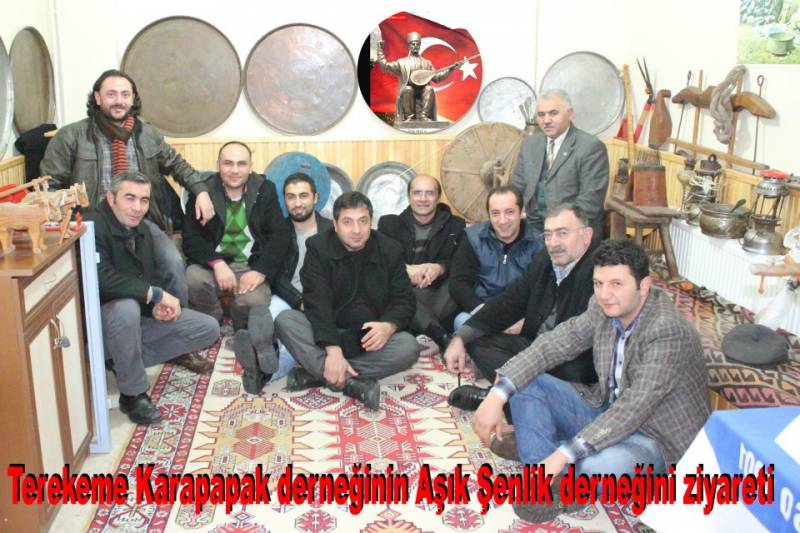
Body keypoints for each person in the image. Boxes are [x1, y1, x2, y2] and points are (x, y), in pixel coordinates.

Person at [472, 239, 709, 522]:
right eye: (598, 283)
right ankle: (544, 476)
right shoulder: (601, 307)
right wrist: (497, 395)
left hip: (655, 438)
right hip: (606, 410)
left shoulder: (668, 333)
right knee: (526, 380)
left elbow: (633, 408)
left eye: (616, 284)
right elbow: (555, 343)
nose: (605, 294)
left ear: (644, 286)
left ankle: (555, 459)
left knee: (598, 467)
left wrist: (563, 455)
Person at [41, 69, 215, 306]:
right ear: (97, 97)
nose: (119, 101)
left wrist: (201, 191)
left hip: (142, 219)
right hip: (93, 224)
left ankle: (176, 319)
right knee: (103, 279)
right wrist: (68, 221)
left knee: (173, 263)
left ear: (133, 98)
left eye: (125, 94)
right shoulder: (71, 136)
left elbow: (178, 165)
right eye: (111, 94)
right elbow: (49, 186)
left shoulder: (148, 134)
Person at [86, 171, 219, 425]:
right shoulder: (91, 225)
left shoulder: (143, 229)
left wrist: (154, 307)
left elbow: (148, 276)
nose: (137, 207)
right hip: (100, 326)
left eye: (144, 200)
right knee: (125, 308)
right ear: (111, 198)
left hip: (134, 322)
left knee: (207, 329)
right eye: (130, 198)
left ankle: (121, 359)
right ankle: (132, 394)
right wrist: (154, 294)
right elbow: (100, 279)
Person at [445, 204, 598, 419]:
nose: (553, 243)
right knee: (478, 341)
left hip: (574, 360)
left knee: (568, 371)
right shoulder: (544, 259)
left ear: (586, 235)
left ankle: (501, 399)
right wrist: (460, 338)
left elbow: (577, 340)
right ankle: (518, 400)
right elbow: (509, 302)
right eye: (548, 235)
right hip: (536, 346)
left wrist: (526, 363)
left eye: (562, 233)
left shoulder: (600, 271)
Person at [275, 192, 419, 409]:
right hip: (328, 332)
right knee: (286, 320)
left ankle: (320, 373)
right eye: (347, 222)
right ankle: (350, 382)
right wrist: (332, 349)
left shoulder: (390, 249)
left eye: (363, 221)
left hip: (368, 338)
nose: (356, 230)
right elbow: (317, 302)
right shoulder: (318, 248)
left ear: (371, 222)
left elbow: (405, 300)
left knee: (409, 347)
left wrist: (388, 326)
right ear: (335, 225)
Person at [182, 141, 289, 394]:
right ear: (218, 165)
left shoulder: (265, 190)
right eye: (228, 163)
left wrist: (260, 271)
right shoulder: (203, 191)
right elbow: (190, 238)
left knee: (254, 300)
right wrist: (216, 263)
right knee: (193, 278)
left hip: (249, 264)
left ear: (250, 167)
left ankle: (242, 327)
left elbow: (280, 236)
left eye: (241, 164)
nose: (234, 170)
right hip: (214, 263)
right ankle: (212, 319)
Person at [378, 174, 465, 351]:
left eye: (429, 193)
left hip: (439, 295)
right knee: (394, 289)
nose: (423, 199)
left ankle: (420, 327)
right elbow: (379, 263)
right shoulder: (389, 224)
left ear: (438, 197)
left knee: (459, 283)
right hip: (404, 294)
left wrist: (439, 268)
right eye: (417, 193)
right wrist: (405, 269)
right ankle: (440, 335)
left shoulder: (456, 225)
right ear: (409, 196)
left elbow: (462, 264)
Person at [510, 89, 609, 236]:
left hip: (571, 230)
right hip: (531, 225)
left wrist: (553, 231)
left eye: (553, 113)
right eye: (541, 115)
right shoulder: (530, 144)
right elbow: (516, 187)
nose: (546, 120)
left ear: (570, 114)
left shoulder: (591, 148)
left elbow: (590, 204)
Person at [449, 185, 543, 331]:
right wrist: (484, 312)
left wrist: (524, 321)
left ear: (522, 212)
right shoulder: (472, 237)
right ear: (489, 215)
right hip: (482, 311)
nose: (502, 220)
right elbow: (458, 282)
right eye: (495, 213)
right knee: (461, 322)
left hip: (521, 318)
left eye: (509, 212)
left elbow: (544, 291)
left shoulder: (540, 243)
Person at [376, 32, 464, 123]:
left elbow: (437, 78)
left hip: (423, 91)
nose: (415, 46)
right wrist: (379, 50)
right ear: (409, 46)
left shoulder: (427, 63)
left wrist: (451, 69)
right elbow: (385, 67)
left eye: (417, 44)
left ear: (419, 46)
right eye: (413, 44)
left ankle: (423, 116)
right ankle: (409, 117)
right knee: (408, 89)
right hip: (408, 91)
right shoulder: (402, 62)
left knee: (429, 89)